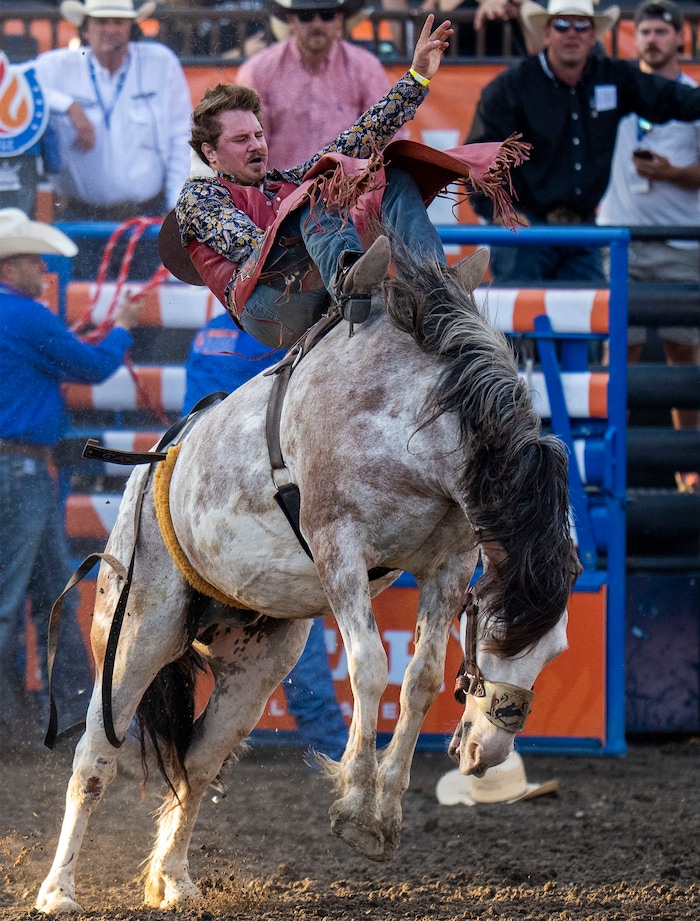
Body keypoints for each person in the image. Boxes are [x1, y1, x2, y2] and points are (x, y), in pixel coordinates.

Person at [168, 14, 523, 350]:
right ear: (210, 154)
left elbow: (355, 140)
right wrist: (312, 209)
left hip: (311, 280)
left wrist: (418, 79)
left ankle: (435, 282)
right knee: (320, 186)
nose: (257, 145)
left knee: (388, 178)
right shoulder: (199, 196)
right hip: (267, 306)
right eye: (241, 139)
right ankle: (350, 279)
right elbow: (250, 245)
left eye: (258, 135)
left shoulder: (281, 184)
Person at [0, 208, 144, 756]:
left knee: (46, 592)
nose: (42, 268)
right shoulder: (27, 316)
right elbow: (89, 367)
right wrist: (125, 329)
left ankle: (61, 715)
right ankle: (67, 714)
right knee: (29, 599)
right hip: (22, 471)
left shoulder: (17, 318)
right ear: (12, 266)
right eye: (34, 259)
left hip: (19, 470)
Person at [183, 313, 349, 761]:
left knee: (161, 641)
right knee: (297, 639)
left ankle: (142, 741)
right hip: (258, 516)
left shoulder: (208, 333)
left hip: (200, 513)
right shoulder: (280, 333)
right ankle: (330, 755)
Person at [465, 0, 700, 285]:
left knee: (593, 322)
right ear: (547, 33)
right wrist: (497, 210)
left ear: (593, 35)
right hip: (527, 232)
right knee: (521, 325)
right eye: (562, 25)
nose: (572, 33)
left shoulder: (613, 77)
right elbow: (476, 157)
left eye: (582, 25)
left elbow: (672, 98)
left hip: (584, 232)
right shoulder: (510, 88)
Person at [597, 0, 699, 493]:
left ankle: (691, 474)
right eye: (645, 31)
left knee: (686, 361)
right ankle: (607, 471)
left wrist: (673, 173)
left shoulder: (693, 96)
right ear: (634, 38)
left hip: (681, 244)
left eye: (662, 31)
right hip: (620, 241)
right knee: (619, 361)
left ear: (681, 38)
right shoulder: (614, 91)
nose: (652, 40)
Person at [34, 0, 192, 278]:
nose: (110, 29)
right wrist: (68, 105)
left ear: (132, 28)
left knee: (146, 311)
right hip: (82, 217)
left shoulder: (160, 62)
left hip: (147, 218)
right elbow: (11, 84)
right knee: (81, 309)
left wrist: (175, 210)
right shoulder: (56, 66)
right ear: (85, 29)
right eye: (101, 22)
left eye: (118, 22)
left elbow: (180, 138)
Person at [236, 0, 394, 170]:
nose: (317, 24)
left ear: (339, 20)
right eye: (306, 16)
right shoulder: (258, 71)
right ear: (291, 20)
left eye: (327, 15)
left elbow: (388, 137)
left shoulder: (366, 68)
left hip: (348, 189)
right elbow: (247, 148)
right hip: (280, 191)